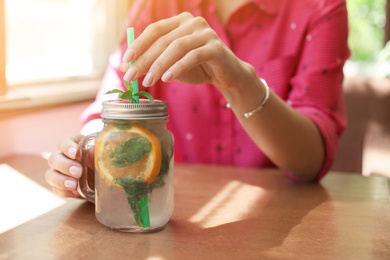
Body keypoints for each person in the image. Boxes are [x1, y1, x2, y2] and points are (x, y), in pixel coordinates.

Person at [46, 0, 350, 198]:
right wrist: (84, 155)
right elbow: (112, 104)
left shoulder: (320, 7)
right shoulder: (153, 6)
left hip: (282, 225)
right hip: (169, 222)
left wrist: (239, 83)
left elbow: (312, 160)